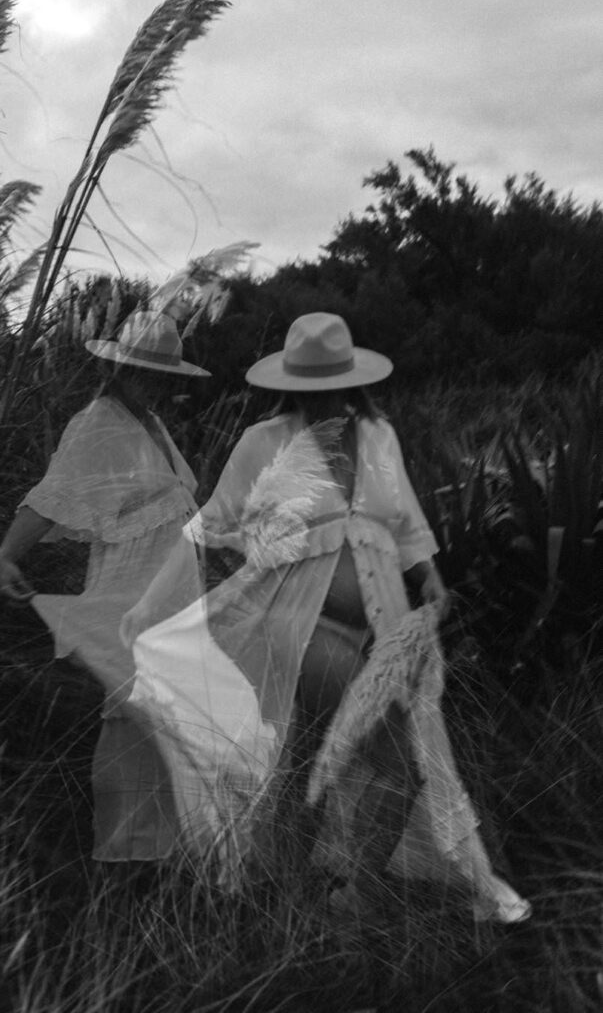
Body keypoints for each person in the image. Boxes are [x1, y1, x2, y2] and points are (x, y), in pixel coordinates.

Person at [119, 312, 531, 922]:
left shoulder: (380, 435)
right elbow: (207, 527)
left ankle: (284, 901)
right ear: (291, 385)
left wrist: (435, 585)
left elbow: (407, 524)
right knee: (402, 762)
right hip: (299, 630)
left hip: (380, 629)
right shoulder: (265, 441)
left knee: (305, 768)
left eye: (328, 386)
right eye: (308, 388)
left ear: (349, 381)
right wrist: (153, 610)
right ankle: (355, 899)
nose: (319, 399)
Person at [0, 310, 211, 864]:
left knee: (171, 722)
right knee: (136, 717)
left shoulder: (149, 424)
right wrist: (7, 553)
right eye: (144, 371)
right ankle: (120, 866)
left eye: (163, 375)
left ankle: (162, 862)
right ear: (117, 369)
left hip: (172, 600)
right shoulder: (99, 423)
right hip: (135, 597)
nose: (155, 383)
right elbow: (55, 493)